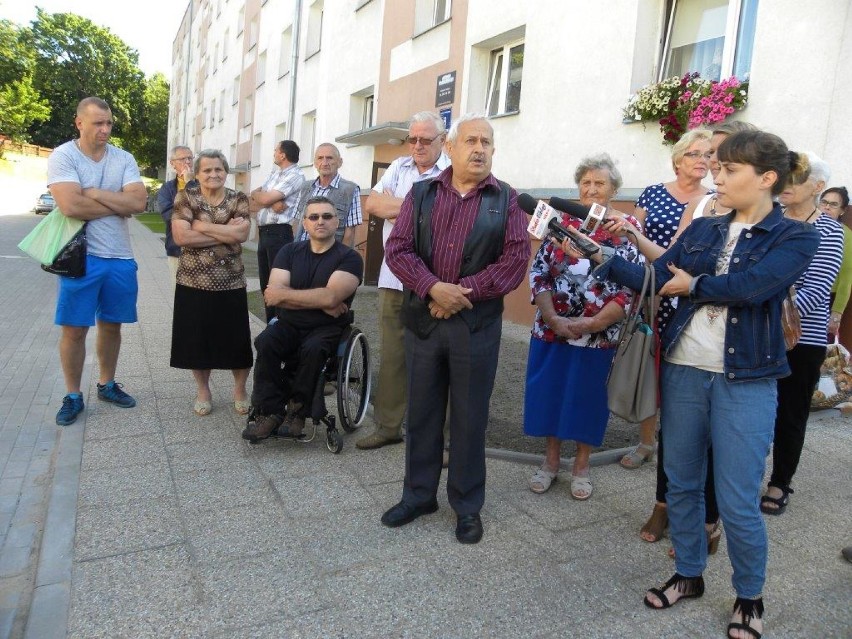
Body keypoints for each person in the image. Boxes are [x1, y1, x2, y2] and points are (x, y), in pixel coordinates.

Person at [582, 130, 819, 639]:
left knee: (736, 499)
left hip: (746, 379)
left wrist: (696, 285)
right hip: (685, 370)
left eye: (730, 169)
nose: (717, 175)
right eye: (717, 166)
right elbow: (658, 272)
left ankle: (749, 597)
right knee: (682, 484)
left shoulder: (796, 235)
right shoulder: (707, 228)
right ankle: (689, 576)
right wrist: (596, 253)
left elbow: (758, 287)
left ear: (767, 178)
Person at [380, 114, 530, 544]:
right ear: (451, 146)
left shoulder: (507, 200)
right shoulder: (422, 193)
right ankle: (418, 495)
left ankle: (467, 506)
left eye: (487, 142)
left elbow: (514, 263)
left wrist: (460, 293)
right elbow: (399, 250)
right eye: (471, 141)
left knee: (469, 419)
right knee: (422, 413)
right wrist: (432, 289)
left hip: (475, 327)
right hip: (425, 323)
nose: (479, 148)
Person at [611, 122, 757, 554]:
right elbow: (669, 265)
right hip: (681, 322)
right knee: (678, 427)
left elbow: (749, 284)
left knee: (718, 437)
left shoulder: (774, 224)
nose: (710, 164)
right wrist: (611, 251)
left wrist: (694, 284)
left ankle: (710, 519)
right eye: (708, 155)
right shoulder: (705, 206)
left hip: (733, 342)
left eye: (718, 156)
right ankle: (665, 503)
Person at [524, 154, 640, 500]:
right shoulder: (560, 226)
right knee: (551, 394)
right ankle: (550, 462)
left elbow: (629, 289)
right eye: (585, 183)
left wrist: (590, 323)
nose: (591, 189)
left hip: (599, 337)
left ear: (614, 190)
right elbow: (539, 274)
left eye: (599, 183)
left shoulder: (624, 232)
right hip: (551, 331)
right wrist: (554, 320)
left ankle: (582, 466)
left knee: (587, 399)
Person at [48, 97, 148, 426]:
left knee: (112, 325)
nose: (104, 129)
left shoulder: (123, 158)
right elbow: (70, 207)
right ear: (79, 123)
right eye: (97, 123)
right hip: (81, 258)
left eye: (108, 124)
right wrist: (118, 204)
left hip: (120, 258)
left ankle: (107, 384)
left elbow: (138, 202)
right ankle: (73, 395)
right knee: (75, 329)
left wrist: (93, 193)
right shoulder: (64, 155)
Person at [356, 111, 450, 451]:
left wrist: (401, 208)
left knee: (441, 360)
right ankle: (388, 426)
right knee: (393, 355)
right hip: (394, 278)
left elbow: (451, 217)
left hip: (437, 282)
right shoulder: (399, 167)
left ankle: (441, 439)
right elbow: (374, 204)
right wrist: (422, 207)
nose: (418, 145)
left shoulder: (454, 172)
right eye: (413, 139)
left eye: (426, 140)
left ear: (443, 140)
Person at [619, 129, 712, 472]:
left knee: (679, 370)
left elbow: (681, 254)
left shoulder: (712, 200)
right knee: (650, 365)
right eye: (695, 153)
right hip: (650, 291)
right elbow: (633, 235)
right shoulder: (654, 193)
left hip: (686, 293)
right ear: (678, 160)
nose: (703, 160)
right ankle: (646, 441)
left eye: (707, 155)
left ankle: (678, 441)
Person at [760, 153, 843, 516]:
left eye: (796, 178)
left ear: (818, 187)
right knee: (757, 409)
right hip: (756, 332)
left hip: (801, 337)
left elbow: (817, 288)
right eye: (784, 177)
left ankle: (780, 482)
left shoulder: (829, 230)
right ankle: (746, 473)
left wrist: (766, 318)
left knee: (791, 413)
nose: (787, 185)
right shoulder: (769, 219)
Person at [241, 196, 363, 442]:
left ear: (336, 221)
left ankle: (297, 411)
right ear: (304, 223)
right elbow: (272, 295)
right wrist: (322, 300)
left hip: (327, 328)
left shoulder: (349, 257)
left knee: (314, 348)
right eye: (314, 217)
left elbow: (329, 297)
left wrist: (294, 297)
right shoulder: (289, 251)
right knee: (266, 342)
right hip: (289, 324)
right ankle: (270, 412)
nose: (321, 221)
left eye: (327, 216)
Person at [169, 149, 253, 416]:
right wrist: (226, 233)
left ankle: (240, 389)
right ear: (197, 174)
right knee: (197, 341)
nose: (213, 174)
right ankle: (203, 390)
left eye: (218, 169)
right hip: (192, 282)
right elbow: (181, 238)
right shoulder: (185, 197)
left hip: (231, 282)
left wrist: (201, 226)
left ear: (225, 172)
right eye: (207, 170)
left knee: (237, 341)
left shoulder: (238, 199)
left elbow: (243, 233)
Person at [249, 140, 306, 322]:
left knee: (278, 285)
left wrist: (265, 199)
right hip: (264, 234)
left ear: (283, 154)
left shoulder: (296, 175)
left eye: (275, 150)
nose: (274, 153)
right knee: (265, 283)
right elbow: (255, 196)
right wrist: (268, 200)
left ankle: (281, 326)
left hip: (279, 234)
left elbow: (261, 198)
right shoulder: (275, 174)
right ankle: (270, 327)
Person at [293, 143, 362, 247]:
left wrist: (340, 259)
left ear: (340, 162)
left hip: (330, 255)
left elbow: (350, 231)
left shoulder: (350, 190)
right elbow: (297, 221)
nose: (324, 163)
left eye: (329, 158)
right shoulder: (305, 187)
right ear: (315, 163)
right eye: (320, 158)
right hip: (302, 251)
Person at [818, 186, 851, 339]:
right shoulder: (807, 228)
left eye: (833, 204)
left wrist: (836, 314)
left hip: (828, 298)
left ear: (842, 211)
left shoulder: (845, 235)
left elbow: (846, 278)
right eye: (824, 202)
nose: (827, 207)